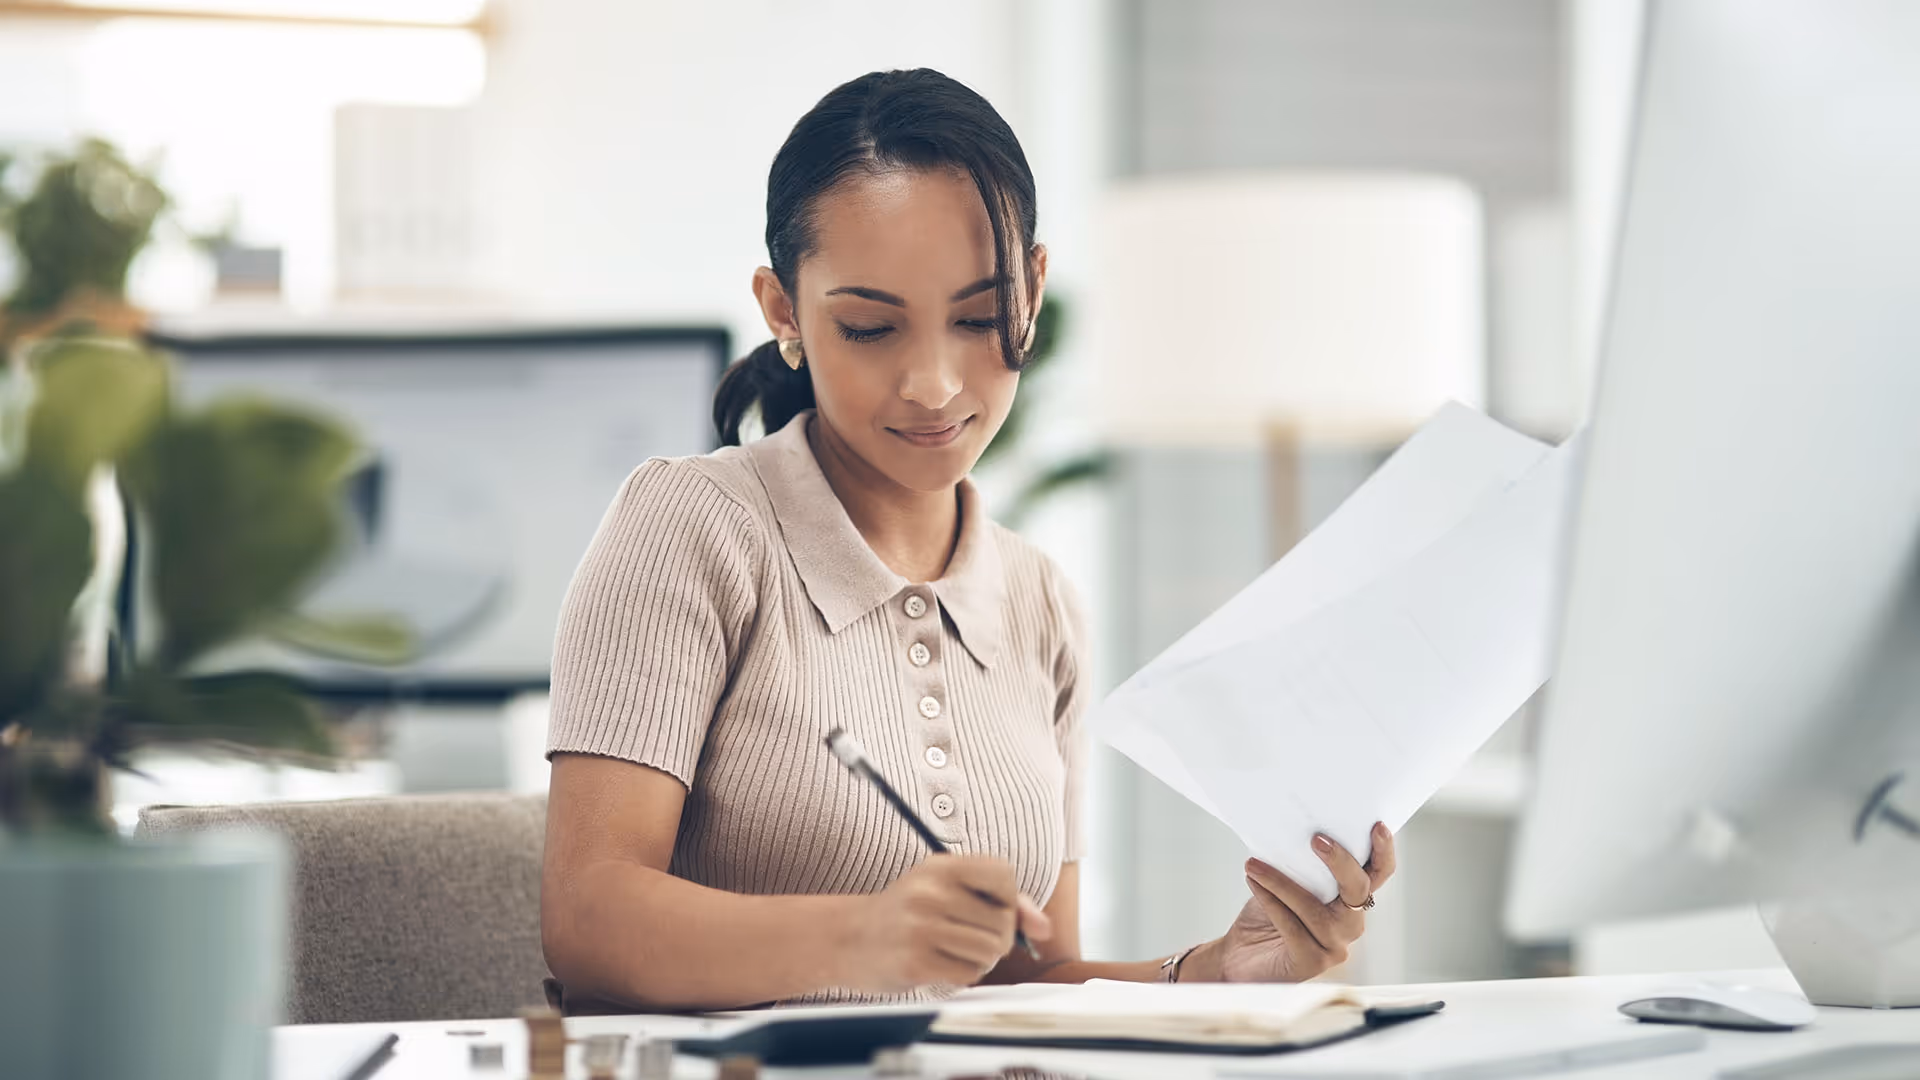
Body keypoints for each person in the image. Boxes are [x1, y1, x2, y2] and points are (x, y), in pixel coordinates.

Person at [540, 67, 1396, 1012]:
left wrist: (1208, 974)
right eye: (870, 328)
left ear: (1033, 285)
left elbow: (1026, 982)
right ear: (783, 310)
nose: (936, 385)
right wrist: (864, 935)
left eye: (980, 318)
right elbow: (587, 923)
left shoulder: (1040, 601)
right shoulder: (693, 530)